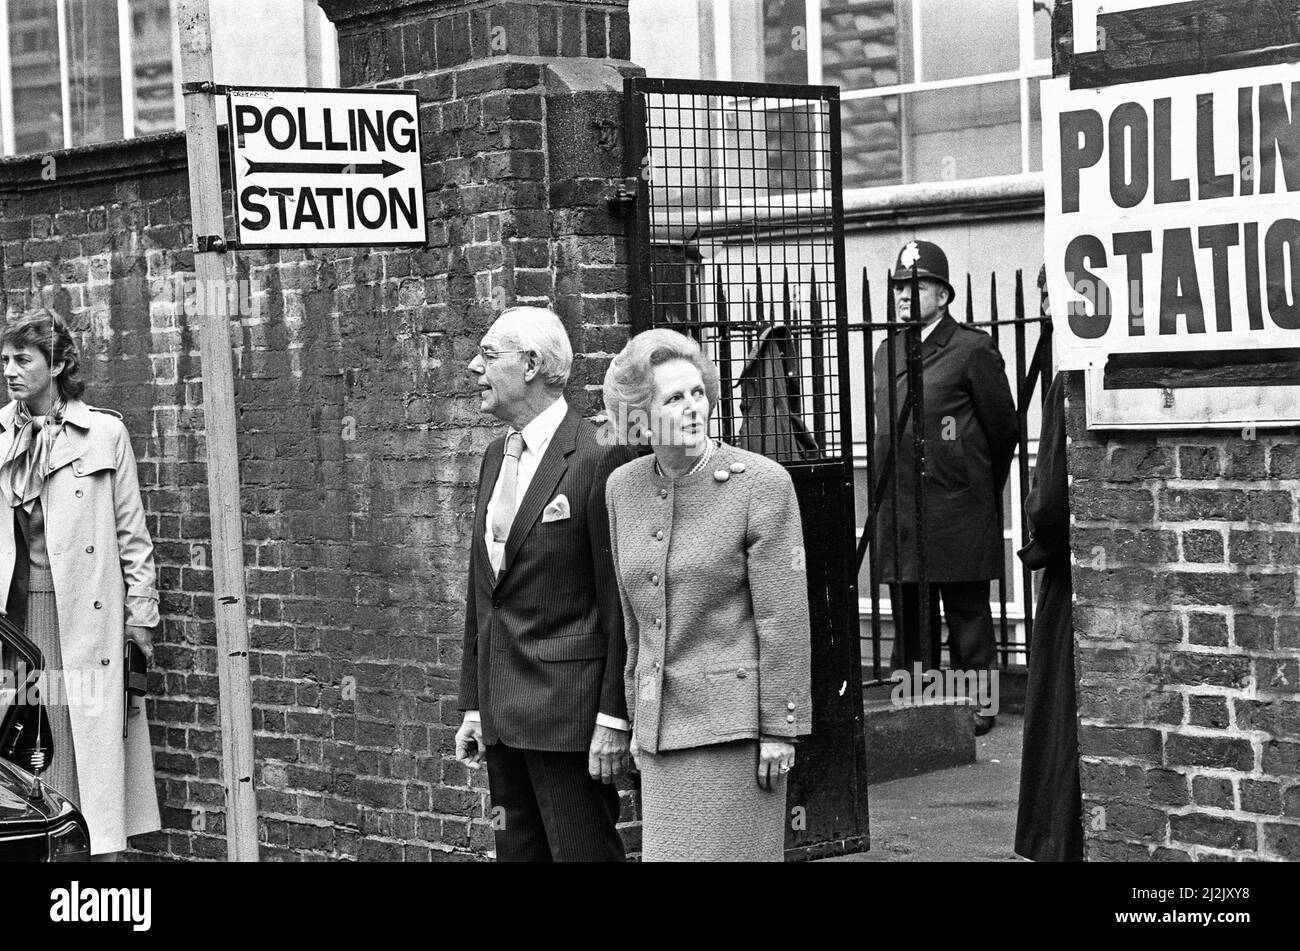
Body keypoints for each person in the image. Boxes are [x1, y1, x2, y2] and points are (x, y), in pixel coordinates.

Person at [602, 328, 812, 862]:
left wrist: (780, 729)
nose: (694, 407)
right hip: (661, 733)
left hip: (737, 735)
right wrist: (634, 718)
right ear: (640, 415)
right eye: (674, 398)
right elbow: (634, 623)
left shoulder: (760, 484)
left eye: (699, 393)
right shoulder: (622, 489)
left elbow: (782, 618)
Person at [455, 306, 633, 862]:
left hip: (570, 720)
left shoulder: (598, 456)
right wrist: (474, 705)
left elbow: (618, 598)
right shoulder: (493, 455)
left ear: (530, 364)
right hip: (504, 719)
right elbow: (483, 593)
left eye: (488, 354)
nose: (473, 367)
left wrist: (613, 715)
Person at [0, 311, 161, 858]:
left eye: (23, 360)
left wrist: (141, 621)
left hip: (85, 615)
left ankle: (92, 871)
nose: (11, 371)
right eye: (5, 360)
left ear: (59, 364)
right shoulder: (1, 435)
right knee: (25, 743)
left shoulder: (104, 433)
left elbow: (133, 538)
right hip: (15, 620)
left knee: (79, 745)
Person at [873, 240, 1018, 735]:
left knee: (968, 616)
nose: (905, 297)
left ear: (943, 294)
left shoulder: (971, 348)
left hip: (957, 508)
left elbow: (1004, 430)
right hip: (902, 508)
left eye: (917, 287)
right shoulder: (885, 351)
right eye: (898, 288)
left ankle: (981, 705)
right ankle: (916, 705)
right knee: (911, 617)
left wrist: (971, 482)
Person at [1015, 269, 1083, 861]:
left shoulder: (1070, 371)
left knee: (1064, 714)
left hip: (1070, 566)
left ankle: (1060, 839)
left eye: (1047, 294)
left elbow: (1050, 496)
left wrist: (1040, 532)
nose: (1043, 306)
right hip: (1076, 554)